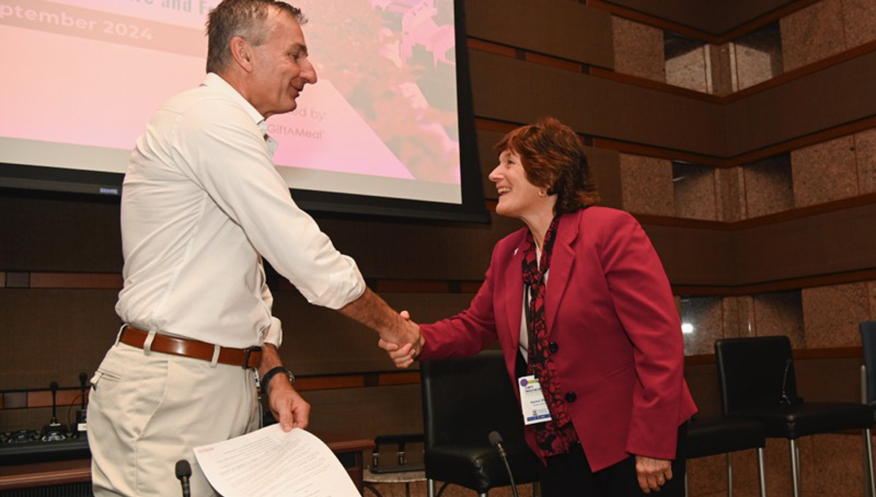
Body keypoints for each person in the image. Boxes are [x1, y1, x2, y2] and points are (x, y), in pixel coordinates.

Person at [87, 1, 420, 495]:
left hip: (218, 386)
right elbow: (303, 254)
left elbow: (241, 289)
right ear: (242, 52)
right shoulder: (206, 119)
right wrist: (394, 327)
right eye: (295, 55)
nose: (310, 72)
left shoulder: (228, 129)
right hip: (171, 393)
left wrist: (273, 375)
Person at [383, 117, 697, 496]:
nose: (494, 174)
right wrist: (417, 337)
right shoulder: (507, 254)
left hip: (630, 438)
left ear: (548, 175)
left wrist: (652, 443)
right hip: (556, 443)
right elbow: (475, 326)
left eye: (509, 162)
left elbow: (660, 344)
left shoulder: (610, 231)